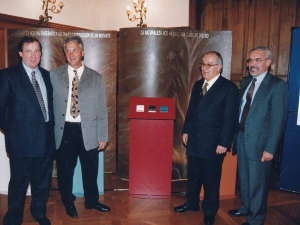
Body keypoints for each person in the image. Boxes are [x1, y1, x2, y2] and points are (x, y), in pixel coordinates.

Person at [174, 51, 239, 225]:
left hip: (213, 144)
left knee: (211, 180)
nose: (204, 68)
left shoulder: (229, 88)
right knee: (193, 176)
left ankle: (210, 211)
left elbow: (230, 119)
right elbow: (191, 111)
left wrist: (224, 142)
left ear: (220, 67)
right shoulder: (198, 85)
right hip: (194, 140)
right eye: (203, 64)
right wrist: (186, 130)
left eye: (209, 65)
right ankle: (192, 203)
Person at [50, 35, 110, 218]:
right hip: (65, 130)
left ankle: (92, 201)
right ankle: (68, 201)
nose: (71, 54)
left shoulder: (96, 78)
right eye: (67, 50)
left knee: (90, 169)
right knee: (65, 170)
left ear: (82, 52)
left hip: (89, 132)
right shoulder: (53, 75)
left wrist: (103, 135)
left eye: (74, 50)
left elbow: (102, 108)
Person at [228, 46, 288, 225]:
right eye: (250, 60)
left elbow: (278, 120)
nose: (252, 64)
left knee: (258, 183)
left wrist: (270, 148)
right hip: (242, 138)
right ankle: (246, 207)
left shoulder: (277, 86)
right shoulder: (247, 83)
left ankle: (256, 218)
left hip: (260, 144)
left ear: (268, 63)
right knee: (245, 180)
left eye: (257, 60)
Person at [0, 36, 54, 225]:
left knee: (42, 183)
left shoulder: (46, 75)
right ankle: (13, 218)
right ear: (20, 53)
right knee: (18, 185)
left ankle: (39, 213)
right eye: (29, 51)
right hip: (21, 143)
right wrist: (14, 133)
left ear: (41, 53)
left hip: (45, 141)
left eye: (37, 51)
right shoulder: (8, 75)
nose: (33, 55)